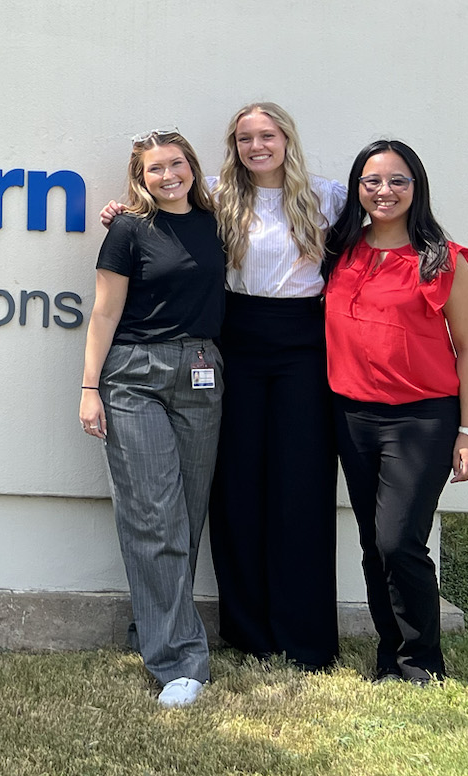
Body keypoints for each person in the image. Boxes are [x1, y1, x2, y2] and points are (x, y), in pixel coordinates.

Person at [100, 102, 347, 670]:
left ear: (287, 136)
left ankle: (305, 636)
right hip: (232, 340)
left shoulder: (328, 196)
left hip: (303, 343)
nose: (256, 146)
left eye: (266, 135)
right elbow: (158, 196)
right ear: (232, 146)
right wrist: (120, 210)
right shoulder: (217, 193)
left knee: (301, 484)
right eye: (244, 138)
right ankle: (247, 629)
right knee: (234, 489)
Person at [320, 139, 468, 684]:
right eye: (372, 181)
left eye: (397, 181)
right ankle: (389, 655)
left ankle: (422, 660)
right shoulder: (338, 249)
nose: (384, 192)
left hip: (422, 419)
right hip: (352, 417)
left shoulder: (445, 259)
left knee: (399, 540)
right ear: (357, 189)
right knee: (373, 541)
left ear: (417, 188)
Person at [79, 129, 227, 708]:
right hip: (134, 376)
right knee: (152, 513)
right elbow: (103, 312)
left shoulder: (219, 221)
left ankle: (151, 630)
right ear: (139, 178)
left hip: (202, 370)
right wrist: (90, 388)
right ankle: (179, 662)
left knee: (185, 515)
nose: (167, 176)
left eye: (176, 164)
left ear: (192, 166)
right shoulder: (126, 230)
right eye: (153, 170)